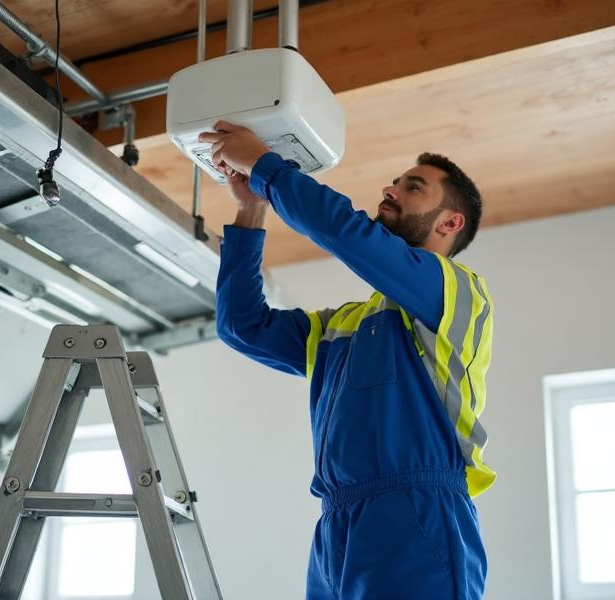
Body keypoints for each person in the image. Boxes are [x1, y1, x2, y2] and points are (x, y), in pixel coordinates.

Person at [200, 121, 495, 600]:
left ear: (449, 223)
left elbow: (346, 233)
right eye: (396, 182)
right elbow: (242, 326)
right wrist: (251, 206)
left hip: (418, 515)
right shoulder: (345, 326)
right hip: (337, 526)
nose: (391, 189)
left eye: (412, 186)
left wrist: (264, 166)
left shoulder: (454, 291)